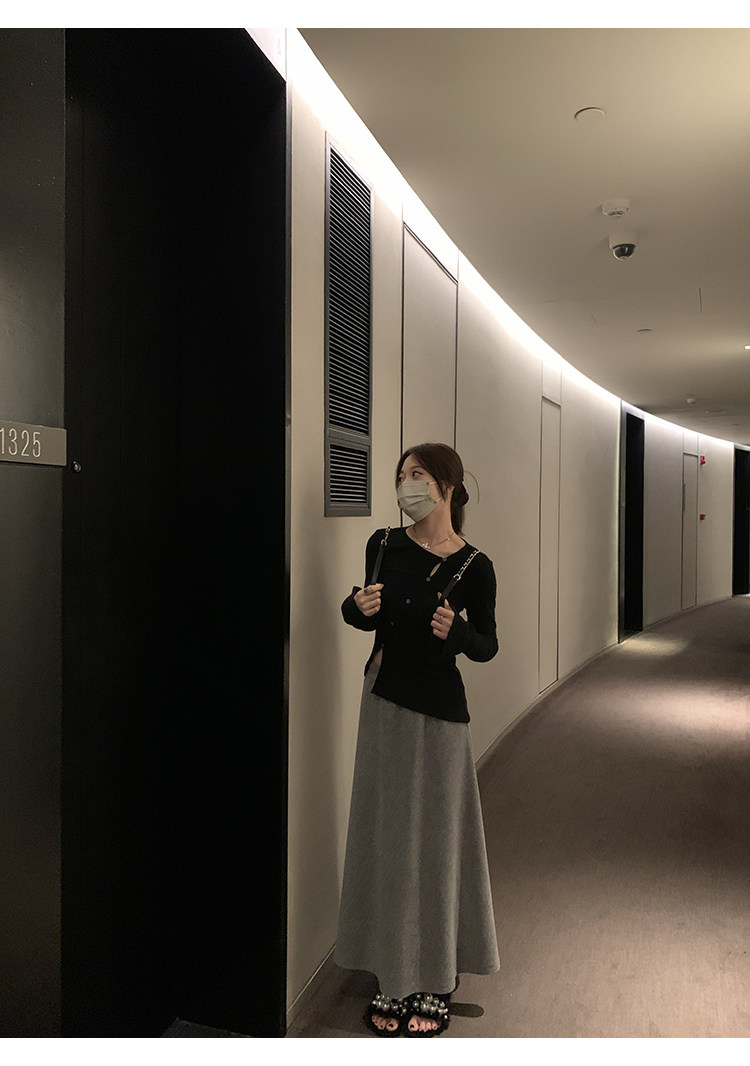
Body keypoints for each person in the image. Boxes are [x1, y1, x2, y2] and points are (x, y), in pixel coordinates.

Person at [336, 442, 500, 1038]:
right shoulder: (383, 545)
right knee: (386, 835)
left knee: (438, 841)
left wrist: (458, 633)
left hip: (440, 714)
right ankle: (393, 970)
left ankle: (436, 975)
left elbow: (487, 645)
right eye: (401, 475)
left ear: (447, 487)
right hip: (382, 702)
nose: (406, 484)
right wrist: (355, 608)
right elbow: (363, 616)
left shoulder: (474, 566)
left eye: (417, 474)